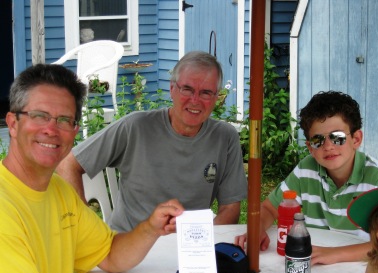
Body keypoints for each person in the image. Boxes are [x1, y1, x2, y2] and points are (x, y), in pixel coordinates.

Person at [0, 64, 194, 273]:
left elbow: (111, 255)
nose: (52, 130)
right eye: (40, 116)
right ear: (13, 124)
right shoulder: (4, 207)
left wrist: (150, 228)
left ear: (75, 130)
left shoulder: (58, 191)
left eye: (64, 120)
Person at [56, 51, 247, 232]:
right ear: (172, 89)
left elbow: (230, 209)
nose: (195, 100)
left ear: (216, 97)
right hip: (127, 247)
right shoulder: (136, 126)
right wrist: (84, 227)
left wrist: (200, 243)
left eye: (206, 92)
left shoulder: (225, 137)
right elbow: (68, 165)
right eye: (187, 89)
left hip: (188, 247)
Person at [235, 91, 378, 265]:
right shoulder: (306, 170)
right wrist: (256, 230)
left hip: (360, 270)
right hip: (312, 266)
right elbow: (269, 208)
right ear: (310, 147)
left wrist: (333, 254)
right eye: (318, 140)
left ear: (356, 139)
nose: (328, 146)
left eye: (337, 137)